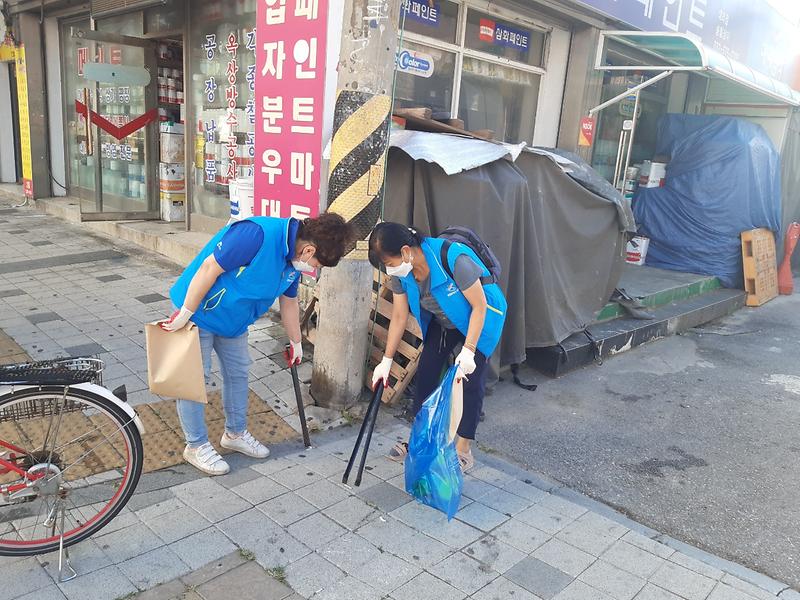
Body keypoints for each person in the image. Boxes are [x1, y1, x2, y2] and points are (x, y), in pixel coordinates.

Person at [162, 213, 353, 475]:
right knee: (194, 379)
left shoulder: (293, 260)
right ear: (309, 249)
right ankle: (195, 445)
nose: (313, 269)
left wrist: (296, 342)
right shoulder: (256, 234)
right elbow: (209, 268)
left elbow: (288, 302)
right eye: (316, 263)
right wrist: (185, 312)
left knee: (239, 374)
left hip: (234, 320)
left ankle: (235, 433)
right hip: (199, 311)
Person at [368, 222, 507, 471]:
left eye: (390, 263)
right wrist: (386, 361)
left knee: (471, 381)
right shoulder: (402, 274)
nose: (390, 270)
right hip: (444, 320)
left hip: (480, 319)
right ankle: (419, 440)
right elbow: (399, 316)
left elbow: (479, 307)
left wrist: (469, 350)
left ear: (406, 251)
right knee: (427, 375)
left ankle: (463, 449)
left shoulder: (454, 259)